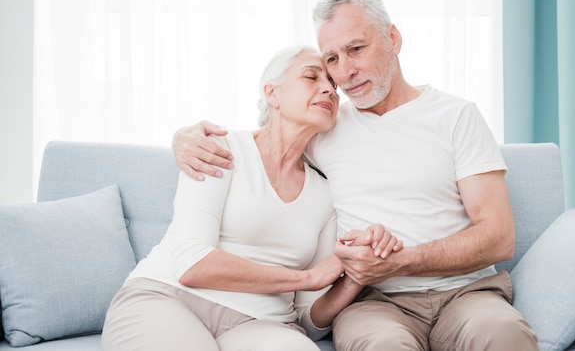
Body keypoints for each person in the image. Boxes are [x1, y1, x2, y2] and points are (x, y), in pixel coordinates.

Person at [171, 0, 539, 351]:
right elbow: (266, 140)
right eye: (331, 59)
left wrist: (401, 261)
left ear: (392, 38)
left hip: (466, 293)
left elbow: (498, 236)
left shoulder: (456, 116)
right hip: (373, 302)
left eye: (356, 49)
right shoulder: (324, 126)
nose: (345, 72)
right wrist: (184, 138)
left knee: (503, 333)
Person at [101, 45, 402, 351]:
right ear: (273, 93)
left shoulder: (325, 196)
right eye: (312, 77)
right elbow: (193, 264)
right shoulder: (219, 148)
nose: (329, 89)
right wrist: (305, 278)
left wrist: (358, 274)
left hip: (260, 324)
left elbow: (308, 320)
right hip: (167, 297)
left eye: (333, 85)